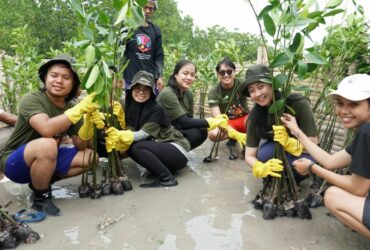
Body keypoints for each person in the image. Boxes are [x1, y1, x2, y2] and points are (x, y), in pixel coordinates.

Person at [0, 55, 100, 216]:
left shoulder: (71, 106)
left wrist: (88, 124)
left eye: (66, 77)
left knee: (91, 157)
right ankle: (41, 198)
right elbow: (46, 129)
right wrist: (77, 111)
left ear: (73, 84)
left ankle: (40, 182)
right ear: (45, 78)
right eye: (54, 75)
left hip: (46, 158)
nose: (59, 81)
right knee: (47, 144)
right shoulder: (31, 99)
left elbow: (81, 145)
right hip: (15, 162)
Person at [281, 74, 370, 238]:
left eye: (354, 104)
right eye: (340, 103)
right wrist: (297, 132)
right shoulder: (364, 131)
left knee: (332, 196)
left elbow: (358, 189)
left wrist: (311, 168)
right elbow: (330, 161)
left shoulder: (367, 132)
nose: (343, 111)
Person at [105, 70, 190, 188]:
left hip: (177, 151)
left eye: (146, 88)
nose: (141, 92)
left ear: (152, 91)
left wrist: (119, 135)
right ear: (131, 89)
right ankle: (159, 170)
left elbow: (142, 135)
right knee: (131, 144)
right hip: (161, 148)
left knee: (135, 147)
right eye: (137, 88)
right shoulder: (129, 105)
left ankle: (167, 178)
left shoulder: (156, 109)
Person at [243, 64, 318, 182]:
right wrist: (260, 167)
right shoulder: (255, 116)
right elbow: (249, 155)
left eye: (261, 86)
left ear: (273, 85)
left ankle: (294, 181)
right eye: (252, 91)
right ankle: (274, 180)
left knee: (300, 165)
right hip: (275, 151)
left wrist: (289, 142)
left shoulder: (297, 103)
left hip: (302, 152)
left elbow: (313, 144)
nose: (257, 94)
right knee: (264, 155)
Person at [157, 60, 228, 150]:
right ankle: (168, 151)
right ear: (175, 74)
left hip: (174, 129)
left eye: (192, 75)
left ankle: (178, 151)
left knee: (202, 130)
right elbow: (185, 122)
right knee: (198, 130)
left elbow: (189, 120)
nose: (189, 77)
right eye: (185, 73)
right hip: (160, 133)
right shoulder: (168, 93)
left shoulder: (188, 94)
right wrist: (213, 121)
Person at [123, 0, 164, 93]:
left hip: (149, 80)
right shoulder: (128, 27)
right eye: (145, 7)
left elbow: (159, 56)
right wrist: (117, 75)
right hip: (131, 79)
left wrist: (160, 76)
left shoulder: (155, 30)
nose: (148, 11)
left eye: (151, 8)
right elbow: (120, 53)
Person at [207, 58, 248, 151]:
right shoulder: (214, 92)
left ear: (234, 72)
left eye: (229, 71)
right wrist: (234, 133)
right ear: (218, 75)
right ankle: (233, 137)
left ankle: (249, 144)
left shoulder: (241, 84)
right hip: (227, 123)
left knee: (254, 120)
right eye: (222, 72)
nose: (226, 75)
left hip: (244, 119)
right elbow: (218, 118)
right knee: (212, 134)